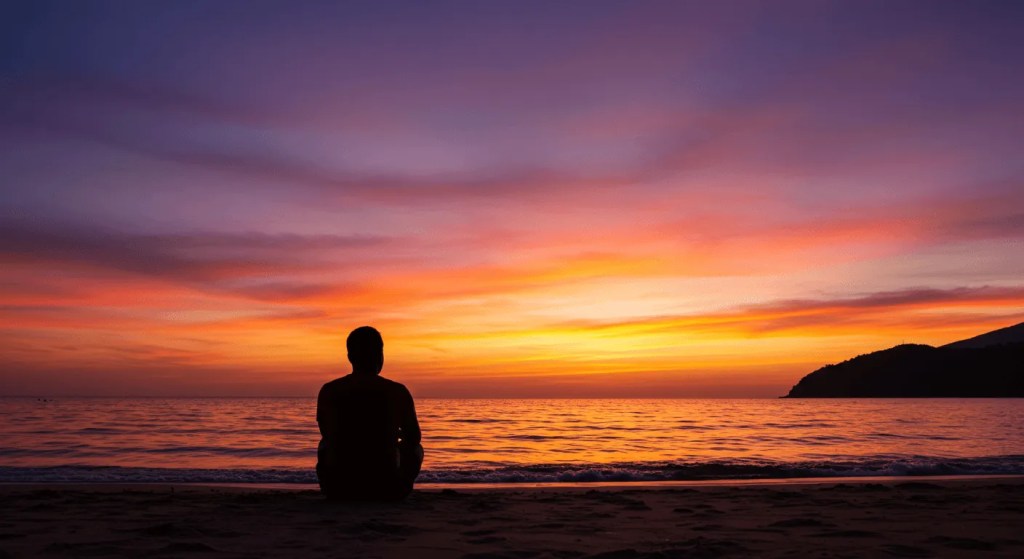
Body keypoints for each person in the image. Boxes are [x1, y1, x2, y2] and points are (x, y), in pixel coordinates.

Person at [316, 326, 423, 500]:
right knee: (416, 449)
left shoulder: (330, 390)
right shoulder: (397, 391)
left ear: (350, 357)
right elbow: (414, 438)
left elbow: (327, 433)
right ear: (380, 355)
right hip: (389, 489)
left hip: (339, 489)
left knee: (324, 445)